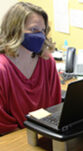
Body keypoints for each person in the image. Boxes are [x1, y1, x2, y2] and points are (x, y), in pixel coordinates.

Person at [0, 2, 61, 135]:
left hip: (44, 133)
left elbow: (55, 106)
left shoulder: (47, 61)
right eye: (34, 30)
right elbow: (2, 124)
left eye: (43, 30)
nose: (40, 36)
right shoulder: (2, 69)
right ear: (15, 30)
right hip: (12, 141)